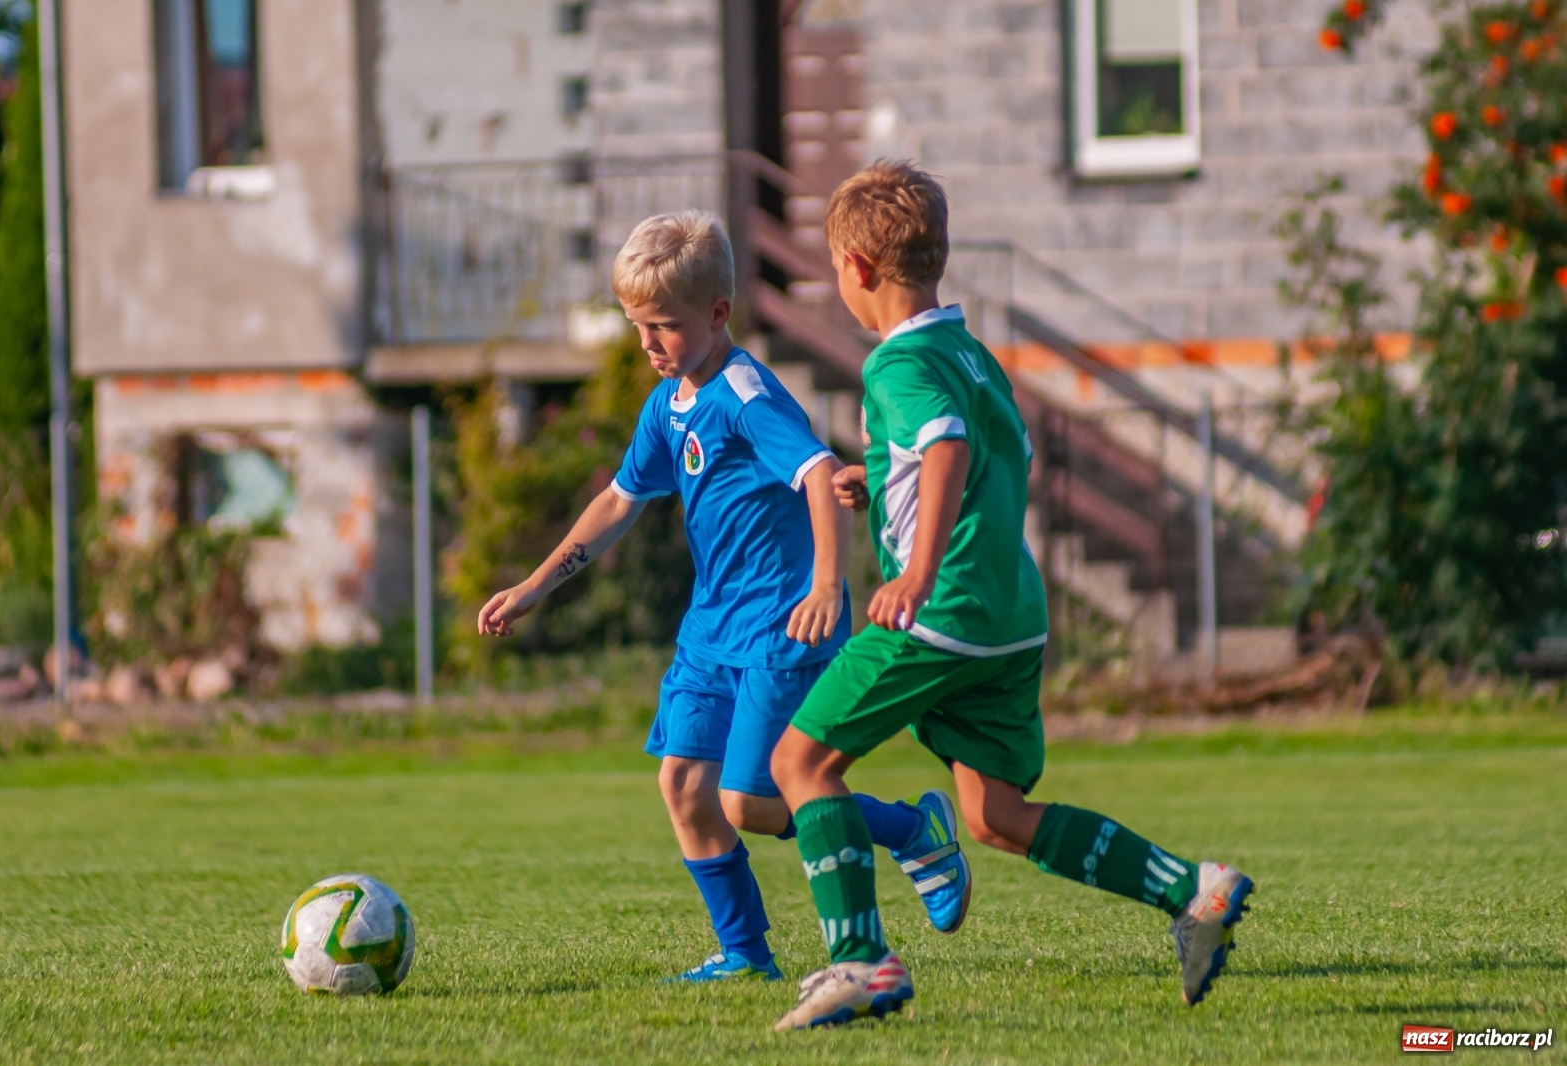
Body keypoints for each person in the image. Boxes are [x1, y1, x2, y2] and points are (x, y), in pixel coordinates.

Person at [768, 162, 1255, 1030]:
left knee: (801, 764)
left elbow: (948, 448)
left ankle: (862, 964)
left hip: (941, 610)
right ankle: (1194, 890)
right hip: (1009, 617)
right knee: (992, 815)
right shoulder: (971, 353)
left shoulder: (897, 364)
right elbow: (973, 457)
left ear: (858, 270)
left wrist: (914, 572)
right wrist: (877, 480)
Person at [477, 211, 971, 983]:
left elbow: (816, 473)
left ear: (717, 315)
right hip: (711, 628)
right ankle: (745, 955)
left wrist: (825, 583)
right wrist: (537, 584)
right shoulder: (668, 401)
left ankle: (912, 828)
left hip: (784, 624)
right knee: (682, 784)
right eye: (637, 325)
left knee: (754, 804)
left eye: (663, 327)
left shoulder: (745, 393)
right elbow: (618, 499)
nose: (647, 345)